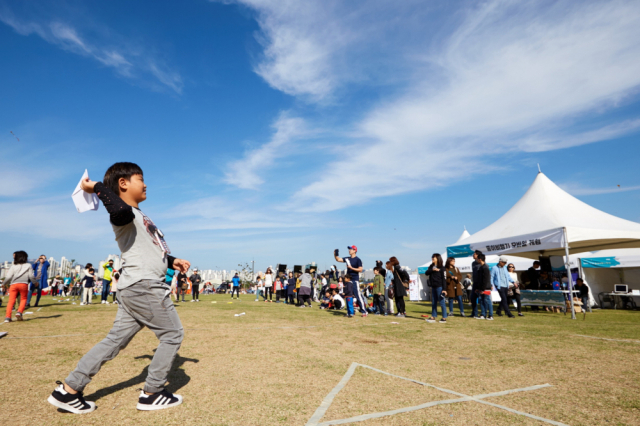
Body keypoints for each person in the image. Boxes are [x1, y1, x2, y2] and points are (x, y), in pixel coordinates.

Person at [48, 162, 190, 413]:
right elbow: (118, 210)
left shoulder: (137, 214)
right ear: (123, 184)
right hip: (144, 285)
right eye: (140, 179)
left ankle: (69, 391)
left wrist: (172, 260)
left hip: (134, 285)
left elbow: (146, 248)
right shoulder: (123, 213)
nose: (145, 184)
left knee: (115, 339)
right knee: (172, 334)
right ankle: (152, 392)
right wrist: (98, 187)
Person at [4, 250, 38, 323]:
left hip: (13, 285)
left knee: (11, 301)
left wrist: (3, 283)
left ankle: (7, 317)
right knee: (23, 299)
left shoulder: (13, 266)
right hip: (23, 284)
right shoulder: (28, 265)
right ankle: (19, 312)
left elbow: (9, 276)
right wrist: (35, 283)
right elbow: (31, 276)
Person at [334, 246, 366, 317]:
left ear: (355, 250)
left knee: (358, 296)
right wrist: (335, 254)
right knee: (349, 296)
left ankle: (364, 311)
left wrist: (351, 268)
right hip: (348, 281)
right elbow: (338, 259)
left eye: (351, 249)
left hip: (355, 280)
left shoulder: (358, 260)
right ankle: (351, 312)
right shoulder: (347, 258)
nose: (349, 250)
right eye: (349, 249)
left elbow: (360, 269)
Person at [425, 254, 447, 322]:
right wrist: (433, 270)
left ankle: (444, 317)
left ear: (438, 258)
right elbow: (426, 273)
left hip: (439, 287)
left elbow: (444, 279)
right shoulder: (431, 266)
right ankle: (433, 316)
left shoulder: (442, 268)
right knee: (433, 302)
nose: (432, 258)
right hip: (433, 286)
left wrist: (444, 289)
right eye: (432, 257)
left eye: (434, 257)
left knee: (441, 302)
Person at [475, 254, 493, 320]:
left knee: (487, 301)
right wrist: (478, 288)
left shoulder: (485, 268)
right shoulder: (481, 267)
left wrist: (483, 288)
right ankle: (483, 314)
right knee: (481, 301)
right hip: (481, 287)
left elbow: (486, 279)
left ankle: (490, 315)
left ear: (480, 259)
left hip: (486, 288)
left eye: (477, 259)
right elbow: (480, 279)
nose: (476, 260)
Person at [470, 250, 483, 318]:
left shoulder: (481, 263)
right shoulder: (473, 263)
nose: (473, 255)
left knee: (481, 299)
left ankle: (482, 314)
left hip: (480, 283)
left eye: (474, 254)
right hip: (475, 283)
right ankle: (474, 313)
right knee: (473, 298)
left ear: (478, 255)